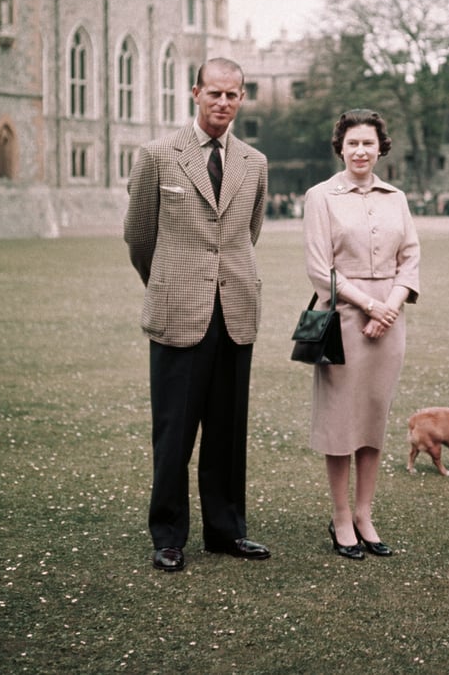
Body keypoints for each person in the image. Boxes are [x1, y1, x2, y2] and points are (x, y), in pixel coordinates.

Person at [124, 57, 270, 573]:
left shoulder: (254, 162)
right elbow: (139, 237)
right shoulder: (158, 156)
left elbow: (248, 233)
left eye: (233, 95)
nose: (223, 103)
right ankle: (168, 535)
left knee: (228, 432)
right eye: (214, 94)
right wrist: (170, 283)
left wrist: (221, 280)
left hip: (235, 311)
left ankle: (227, 531)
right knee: (175, 432)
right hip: (177, 312)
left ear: (242, 98)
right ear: (195, 93)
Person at [302, 108, 420, 559]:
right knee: (340, 423)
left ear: (380, 148)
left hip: (388, 323)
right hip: (341, 321)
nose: (360, 151)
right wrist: (369, 305)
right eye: (352, 143)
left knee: (373, 419)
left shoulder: (397, 198)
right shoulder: (321, 196)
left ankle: (365, 514)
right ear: (340, 147)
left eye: (368, 143)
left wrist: (389, 307)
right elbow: (319, 268)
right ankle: (339, 517)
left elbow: (410, 258)